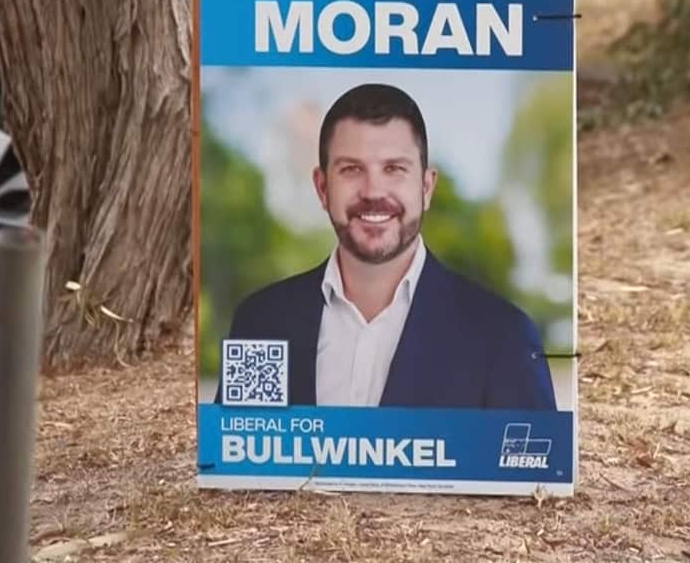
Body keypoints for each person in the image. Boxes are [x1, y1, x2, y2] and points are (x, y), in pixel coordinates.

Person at [215, 82, 558, 411]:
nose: (373, 191)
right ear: (322, 188)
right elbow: (235, 463)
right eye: (351, 169)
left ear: (426, 187)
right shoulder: (260, 323)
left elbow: (534, 467)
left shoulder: (503, 338)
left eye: (394, 168)